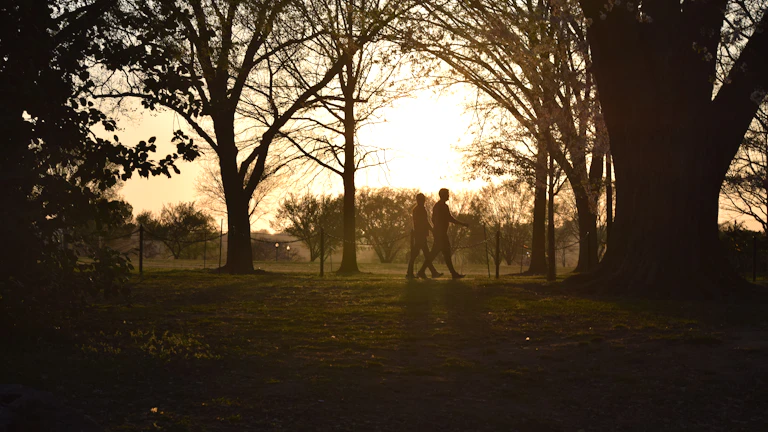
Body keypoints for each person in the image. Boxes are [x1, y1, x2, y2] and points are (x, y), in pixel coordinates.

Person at [418, 188, 469, 280]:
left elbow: (436, 219)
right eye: (447, 194)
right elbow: (448, 218)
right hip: (440, 235)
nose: (448, 196)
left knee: (444, 254)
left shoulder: (440, 206)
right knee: (436, 254)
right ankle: (422, 271)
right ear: (443, 195)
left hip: (441, 234)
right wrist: (462, 224)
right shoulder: (441, 206)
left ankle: (453, 273)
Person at [406, 193, 442, 279]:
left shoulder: (418, 209)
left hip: (420, 234)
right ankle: (428, 272)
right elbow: (424, 222)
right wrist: (432, 230)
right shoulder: (419, 210)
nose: (423, 201)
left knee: (422, 254)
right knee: (421, 254)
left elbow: (424, 222)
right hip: (420, 235)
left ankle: (415, 273)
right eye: (422, 200)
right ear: (418, 200)